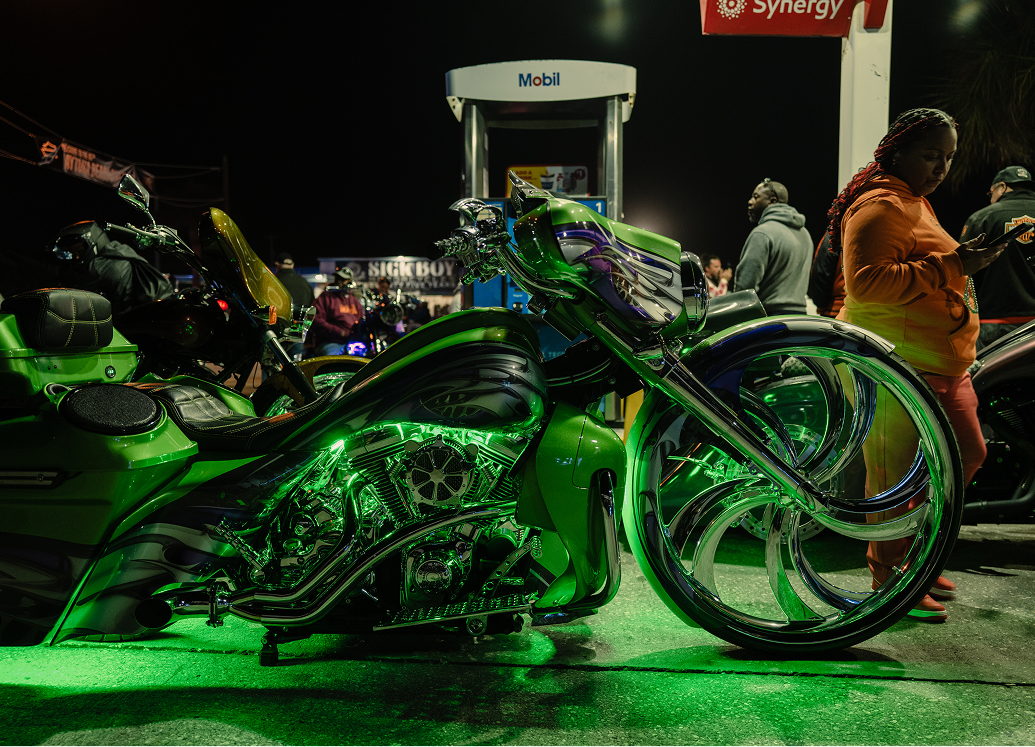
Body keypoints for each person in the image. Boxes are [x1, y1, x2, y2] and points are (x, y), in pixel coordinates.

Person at [828, 107, 1008, 621]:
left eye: (948, 158)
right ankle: (889, 578)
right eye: (931, 155)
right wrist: (955, 264)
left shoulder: (916, 202)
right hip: (893, 365)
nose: (941, 168)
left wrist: (964, 261)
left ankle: (916, 557)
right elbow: (867, 283)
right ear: (897, 151)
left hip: (942, 365)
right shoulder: (880, 206)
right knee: (892, 477)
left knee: (964, 456)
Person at [959, 165, 1035, 349]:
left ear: (1002, 187)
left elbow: (960, 268)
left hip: (994, 322)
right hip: (1033, 324)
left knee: (988, 377)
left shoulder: (983, 217)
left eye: (990, 193)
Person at [51, 220, 174, 318]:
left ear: (92, 243)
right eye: (73, 254)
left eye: (79, 251)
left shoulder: (96, 266)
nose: (77, 257)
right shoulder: (121, 251)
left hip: (130, 320)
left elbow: (78, 304)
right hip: (154, 311)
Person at [732, 179, 812, 314]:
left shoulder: (763, 233)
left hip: (770, 319)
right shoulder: (805, 234)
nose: (750, 201)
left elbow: (744, 289)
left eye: (756, 197)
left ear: (772, 201)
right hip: (800, 317)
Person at [310, 268, 365, 357]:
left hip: (352, 343)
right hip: (330, 342)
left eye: (343, 279)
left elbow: (361, 321)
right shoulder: (325, 297)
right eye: (337, 278)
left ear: (350, 282)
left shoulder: (354, 301)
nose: (339, 281)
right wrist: (340, 332)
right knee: (335, 363)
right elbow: (315, 321)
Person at [273, 252, 315, 359]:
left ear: (277, 265)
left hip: (276, 329)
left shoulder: (273, 281)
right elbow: (312, 305)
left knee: (272, 361)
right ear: (292, 265)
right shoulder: (304, 283)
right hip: (297, 327)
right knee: (294, 363)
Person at [806, 233, 846, 318]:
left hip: (836, 310)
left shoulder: (835, 231)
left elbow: (821, 273)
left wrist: (820, 303)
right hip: (874, 314)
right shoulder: (878, 229)